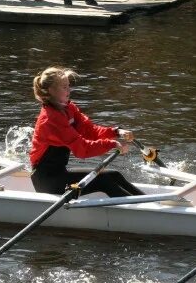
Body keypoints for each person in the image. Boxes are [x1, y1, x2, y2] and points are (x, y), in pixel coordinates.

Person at [28, 66, 144, 198]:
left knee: (114, 175)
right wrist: (112, 144)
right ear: (50, 91)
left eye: (68, 86)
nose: (68, 90)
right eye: (64, 87)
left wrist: (116, 132)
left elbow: (90, 131)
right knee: (104, 181)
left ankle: (150, 205)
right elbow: (82, 149)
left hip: (60, 173)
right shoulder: (50, 119)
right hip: (47, 181)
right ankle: (145, 213)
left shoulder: (69, 108)